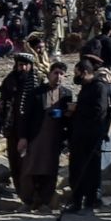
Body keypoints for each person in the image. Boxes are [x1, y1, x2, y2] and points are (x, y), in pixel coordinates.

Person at [64, 56, 111, 215]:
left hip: (91, 137)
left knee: (90, 170)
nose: (76, 77)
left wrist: (77, 108)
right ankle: (76, 201)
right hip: (80, 135)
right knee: (76, 169)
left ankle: (90, 201)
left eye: (77, 73)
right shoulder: (87, 86)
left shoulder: (99, 87)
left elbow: (98, 112)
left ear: (85, 72)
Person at [20, 60, 74, 209]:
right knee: (30, 169)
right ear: (49, 74)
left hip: (54, 139)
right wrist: (23, 137)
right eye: (56, 73)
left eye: (62, 74)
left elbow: (69, 116)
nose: (58, 76)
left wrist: (64, 113)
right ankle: (28, 201)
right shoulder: (36, 93)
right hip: (36, 137)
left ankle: (44, 201)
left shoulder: (66, 94)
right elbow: (26, 116)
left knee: (50, 170)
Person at [0, 53, 43, 195]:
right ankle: (21, 193)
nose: (23, 68)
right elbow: (2, 104)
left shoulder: (38, 81)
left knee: (31, 163)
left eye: (25, 65)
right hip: (13, 128)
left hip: (33, 130)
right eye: (20, 65)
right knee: (15, 162)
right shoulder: (10, 80)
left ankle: (34, 194)